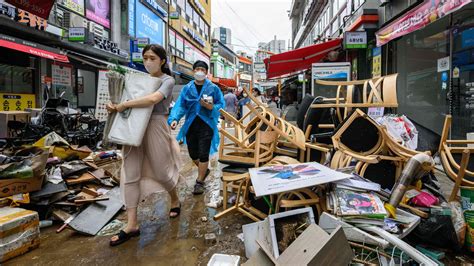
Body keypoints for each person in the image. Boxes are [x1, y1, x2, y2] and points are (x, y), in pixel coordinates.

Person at [106, 44, 181, 246]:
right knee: (130, 172)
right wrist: (115, 106)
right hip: (133, 125)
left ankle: (174, 198)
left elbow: (154, 98)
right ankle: (132, 224)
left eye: (152, 58)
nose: (148, 62)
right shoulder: (137, 80)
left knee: (161, 170)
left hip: (156, 125)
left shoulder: (168, 80)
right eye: (145, 58)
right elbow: (125, 99)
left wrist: (125, 104)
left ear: (162, 61)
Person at [168, 60, 225, 195]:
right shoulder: (187, 89)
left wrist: (212, 107)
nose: (200, 71)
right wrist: (174, 118)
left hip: (207, 124)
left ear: (206, 72)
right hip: (191, 125)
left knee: (203, 153)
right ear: (193, 71)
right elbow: (181, 106)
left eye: (203, 69)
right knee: (193, 154)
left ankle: (199, 182)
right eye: (197, 69)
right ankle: (204, 170)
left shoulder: (213, 88)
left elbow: (220, 105)